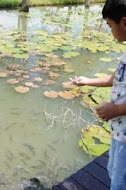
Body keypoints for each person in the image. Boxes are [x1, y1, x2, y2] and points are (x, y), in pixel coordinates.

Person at [69, 0, 126, 189]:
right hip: (119, 132)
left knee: (120, 182)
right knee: (113, 170)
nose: (110, 32)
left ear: (124, 22)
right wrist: (87, 80)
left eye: (110, 25)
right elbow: (115, 78)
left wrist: (117, 108)